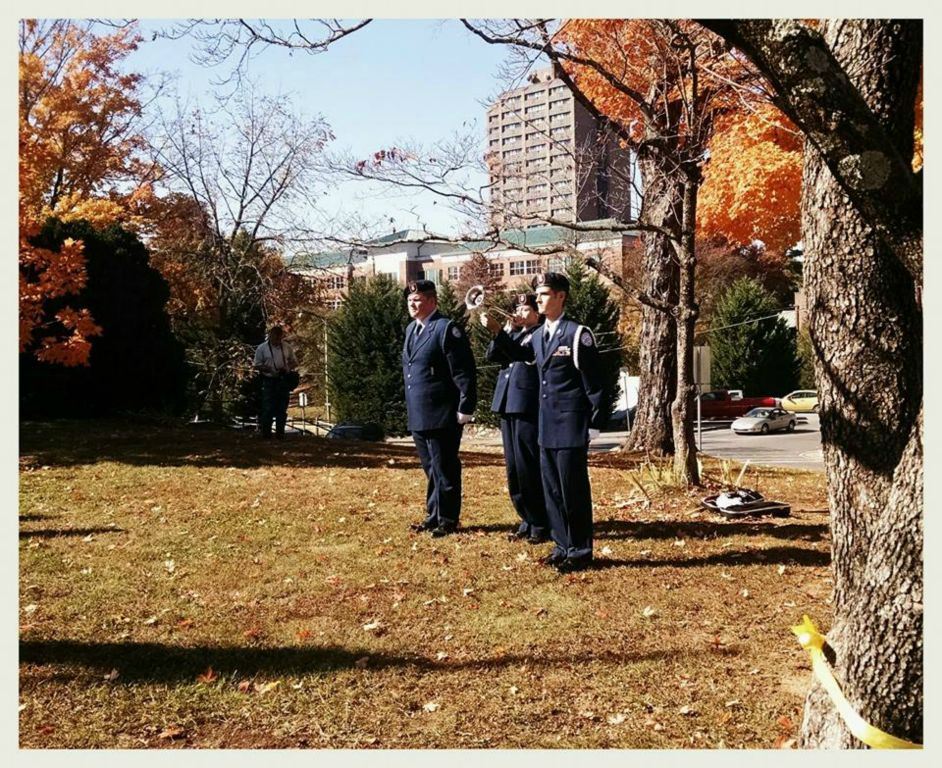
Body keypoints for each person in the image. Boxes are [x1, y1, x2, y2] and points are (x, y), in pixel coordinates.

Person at [530, 272, 606, 572]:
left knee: (572, 489)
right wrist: (498, 332)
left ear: (561, 296)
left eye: (545, 293)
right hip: (546, 426)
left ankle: (580, 550)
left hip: (571, 424)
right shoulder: (538, 335)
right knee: (551, 490)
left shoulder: (577, 334)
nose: (539, 299)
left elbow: (595, 382)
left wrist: (595, 421)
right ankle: (562, 545)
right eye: (538, 293)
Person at [402, 280, 477, 537]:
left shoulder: (446, 329)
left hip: (441, 411)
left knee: (444, 465)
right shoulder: (413, 329)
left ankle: (447, 517)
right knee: (430, 467)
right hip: (420, 412)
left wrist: (466, 405)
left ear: (432, 301)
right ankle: (433, 514)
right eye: (410, 300)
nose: (413, 304)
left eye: (418, 300)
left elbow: (463, 370)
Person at [480, 293, 549, 544]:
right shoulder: (515, 334)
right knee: (514, 469)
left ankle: (541, 520)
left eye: (526, 308)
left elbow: (523, 355)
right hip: (507, 404)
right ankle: (526, 517)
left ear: (537, 313)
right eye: (518, 308)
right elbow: (492, 356)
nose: (520, 312)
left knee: (528, 466)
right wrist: (504, 332)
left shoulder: (540, 333)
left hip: (526, 405)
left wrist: (500, 332)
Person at [253, 325, 298, 440]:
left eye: (279, 338)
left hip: (283, 380)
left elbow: (294, 362)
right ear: (270, 336)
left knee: (282, 408)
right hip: (268, 380)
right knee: (268, 407)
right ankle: (266, 434)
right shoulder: (262, 348)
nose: (277, 341)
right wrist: (267, 369)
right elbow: (256, 365)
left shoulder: (287, 347)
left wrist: (287, 368)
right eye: (275, 338)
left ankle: (280, 434)